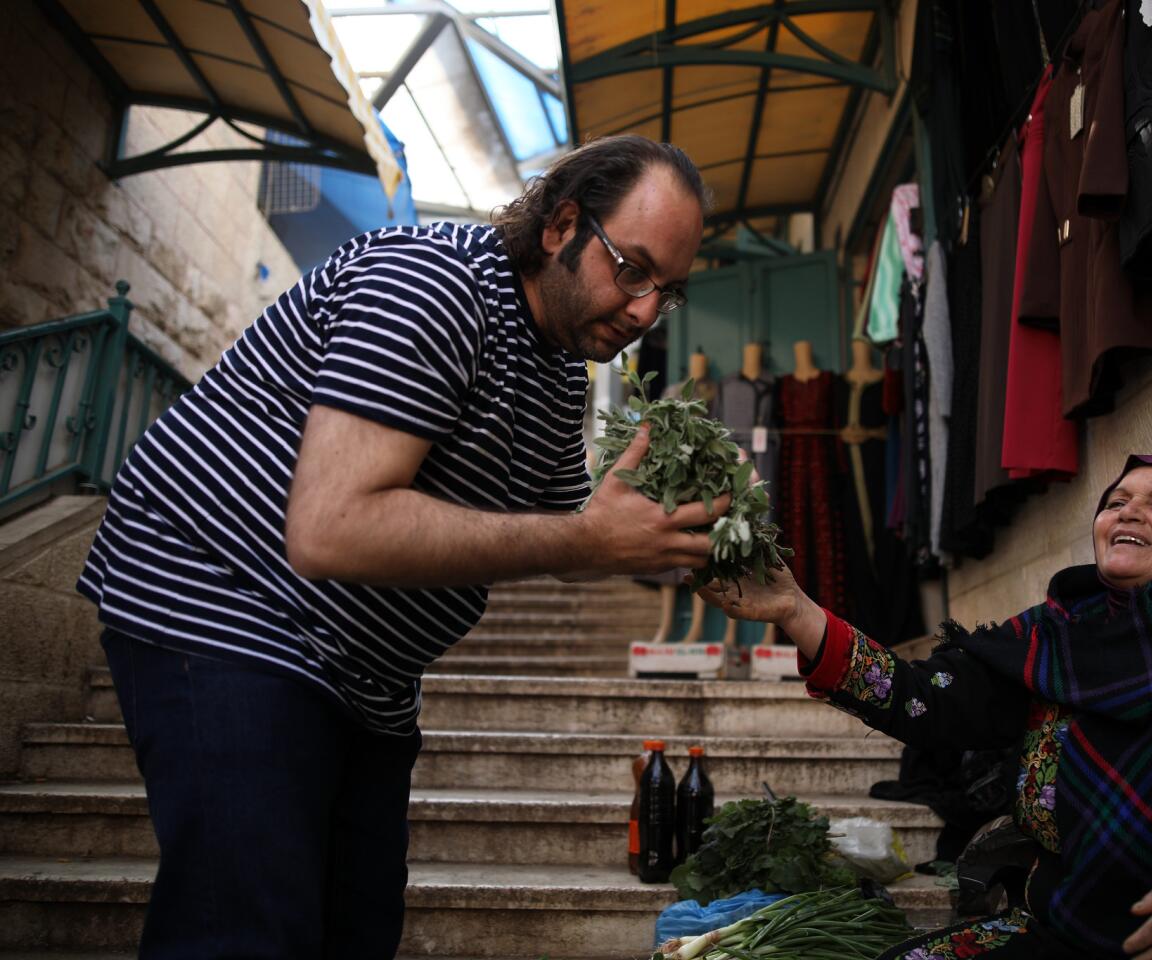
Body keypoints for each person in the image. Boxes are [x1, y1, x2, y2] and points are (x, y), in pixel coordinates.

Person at [76, 135, 727, 958]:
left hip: (367, 676)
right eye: (631, 269)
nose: (643, 312)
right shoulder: (431, 286)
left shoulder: (559, 369)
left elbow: (570, 533)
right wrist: (589, 537)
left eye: (666, 292)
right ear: (562, 225)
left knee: (358, 931)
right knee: (245, 932)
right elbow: (331, 527)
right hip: (224, 601)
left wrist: (690, 527)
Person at [695, 454, 1152, 959]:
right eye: (1116, 500)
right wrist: (796, 611)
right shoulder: (1053, 642)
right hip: (1060, 932)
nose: (1129, 511)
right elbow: (918, 699)